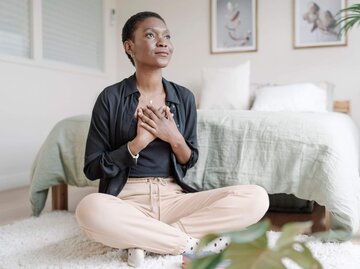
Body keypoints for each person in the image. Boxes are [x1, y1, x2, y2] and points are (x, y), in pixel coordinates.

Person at [75, 11, 269, 267]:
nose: (163, 41)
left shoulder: (184, 98)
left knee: (256, 197)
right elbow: (92, 167)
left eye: (167, 36)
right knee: (89, 209)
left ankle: (147, 239)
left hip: (174, 198)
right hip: (127, 199)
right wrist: (137, 144)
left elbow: (189, 160)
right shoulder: (110, 98)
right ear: (129, 46)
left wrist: (174, 136)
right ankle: (191, 244)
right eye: (151, 35)